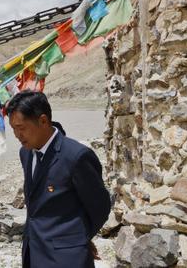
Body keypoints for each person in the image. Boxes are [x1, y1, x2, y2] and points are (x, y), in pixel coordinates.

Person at [6, 90, 111, 268]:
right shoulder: (26, 153)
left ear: (43, 121)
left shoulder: (76, 157)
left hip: (68, 259)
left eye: (21, 128)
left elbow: (100, 207)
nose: (17, 135)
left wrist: (76, 239)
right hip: (33, 254)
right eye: (13, 129)